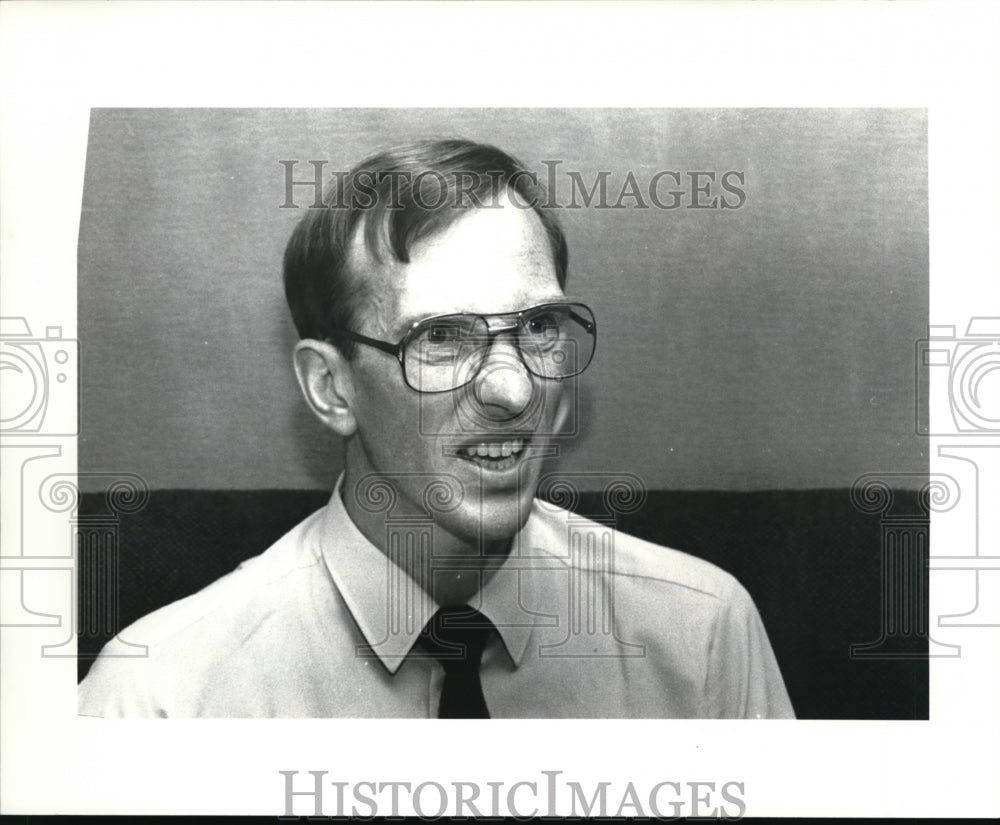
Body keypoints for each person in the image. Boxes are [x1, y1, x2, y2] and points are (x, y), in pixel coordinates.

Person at [79, 139, 794, 718]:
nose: (513, 390)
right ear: (331, 387)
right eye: (443, 337)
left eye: (540, 327)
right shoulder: (164, 698)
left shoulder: (699, 635)